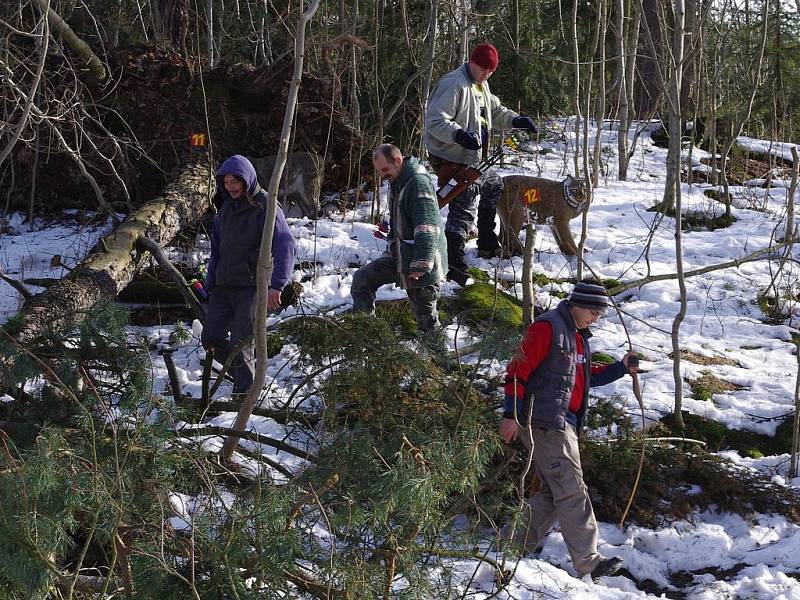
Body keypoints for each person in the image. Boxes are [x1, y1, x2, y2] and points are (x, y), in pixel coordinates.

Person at [500, 280, 639, 579]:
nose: (597, 318)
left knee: (553, 491)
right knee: (573, 489)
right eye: (593, 311)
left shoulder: (576, 336)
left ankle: (511, 549)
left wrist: (620, 367)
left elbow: (585, 377)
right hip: (546, 422)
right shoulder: (547, 328)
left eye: (600, 313)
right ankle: (589, 562)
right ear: (576, 305)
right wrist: (510, 414)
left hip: (564, 423)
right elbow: (516, 371)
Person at [424, 43, 538, 285]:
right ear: (472, 62)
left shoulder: (481, 85)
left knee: (494, 185)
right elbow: (434, 120)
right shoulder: (453, 83)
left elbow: (495, 113)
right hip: (450, 156)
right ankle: (454, 264)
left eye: (490, 72)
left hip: (473, 158)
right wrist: (459, 135)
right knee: (464, 203)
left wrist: (516, 120)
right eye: (483, 69)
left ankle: (486, 242)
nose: (486, 75)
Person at [201, 154, 296, 395]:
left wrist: (277, 285)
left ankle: (244, 397)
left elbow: (285, 244)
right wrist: (210, 284)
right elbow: (216, 251)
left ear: (247, 180)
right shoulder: (225, 211)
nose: (230, 187)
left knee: (241, 343)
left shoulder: (266, 205)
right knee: (210, 338)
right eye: (226, 182)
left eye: (235, 181)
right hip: (223, 287)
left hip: (251, 288)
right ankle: (248, 381)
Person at [351, 144, 448, 332]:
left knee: (426, 316)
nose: (382, 175)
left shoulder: (418, 183)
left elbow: (427, 226)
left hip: (422, 260)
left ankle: (440, 357)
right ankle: (367, 337)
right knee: (362, 280)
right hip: (401, 255)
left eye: (385, 169)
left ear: (398, 160)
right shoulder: (398, 179)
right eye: (379, 171)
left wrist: (421, 264)